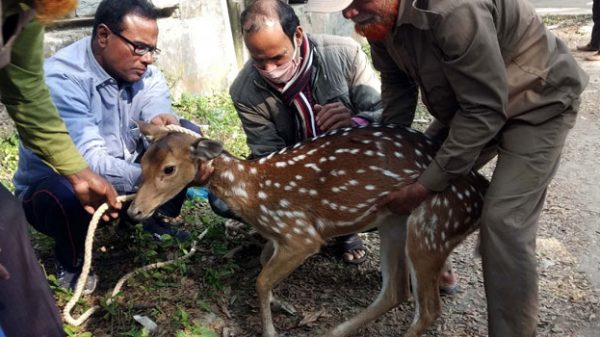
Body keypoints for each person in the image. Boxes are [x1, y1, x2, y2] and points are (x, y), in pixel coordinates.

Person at [306, 0, 588, 336]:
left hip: (537, 103)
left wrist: (425, 186)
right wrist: (385, 158)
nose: (348, 13)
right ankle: (435, 269)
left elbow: (485, 111)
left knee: (504, 222)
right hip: (468, 108)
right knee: (409, 173)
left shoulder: (453, 10)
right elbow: (398, 85)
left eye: (356, 1)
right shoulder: (378, 19)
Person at [13, 0, 196, 295]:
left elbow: (155, 98)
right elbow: (87, 164)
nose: (148, 59)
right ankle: (71, 262)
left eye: (152, 50)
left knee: (186, 141)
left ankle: (146, 219)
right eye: (139, 47)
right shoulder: (62, 79)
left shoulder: (141, 69)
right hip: (63, 185)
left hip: (121, 175)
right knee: (65, 193)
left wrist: (163, 119)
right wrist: (160, 177)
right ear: (103, 36)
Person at [224, 0, 386, 265]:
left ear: (297, 35)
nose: (270, 70)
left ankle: (345, 228)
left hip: (351, 168)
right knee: (223, 201)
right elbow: (267, 154)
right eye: (259, 60)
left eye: (278, 57)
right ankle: (306, 228)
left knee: (399, 188)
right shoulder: (244, 91)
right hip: (296, 178)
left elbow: (384, 113)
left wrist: (354, 122)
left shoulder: (344, 53)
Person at [0, 0, 121, 335]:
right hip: (39, 192)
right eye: (137, 47)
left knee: (5, 220)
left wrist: (78, 172)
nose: (146, 57)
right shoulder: (66, 74)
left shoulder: (28, 10)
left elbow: (25, 93)